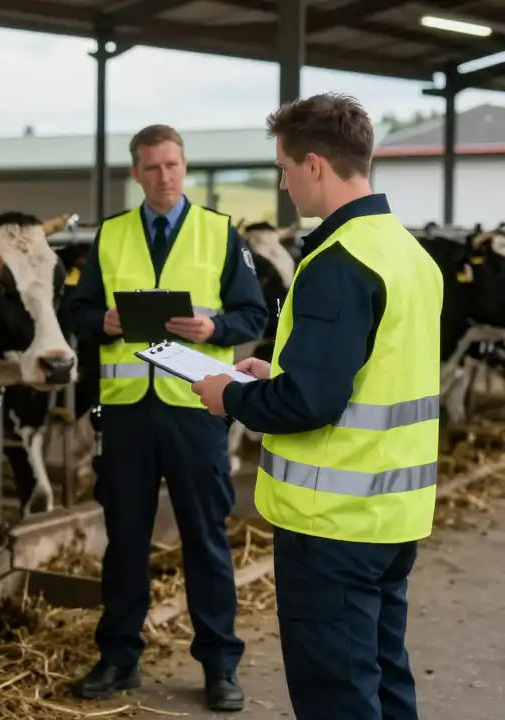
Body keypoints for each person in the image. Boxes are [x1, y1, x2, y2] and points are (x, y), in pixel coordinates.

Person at [191, 93, 442, 720]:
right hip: (392, 516)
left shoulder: (338, 261)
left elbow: (313, 401)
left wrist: (233, 396)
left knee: (338, 695)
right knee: (384, 678)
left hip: (333, 526)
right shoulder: (410, 255)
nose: (281, 183)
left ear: (315, 166)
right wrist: (275, 373)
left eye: (282, 168)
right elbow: (366, 374)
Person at [62, 123, 268, 711]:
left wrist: (214, 329)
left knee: (206, 540)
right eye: (151, 167)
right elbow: (74, 309)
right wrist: (98, 322)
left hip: (197, 408)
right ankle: (119, 657)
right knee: (124, 539)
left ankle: (220, 666)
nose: (164, 176)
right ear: (136, 173)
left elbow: (251, 313)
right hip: (126, 414)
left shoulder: (220, 234)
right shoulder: (111, 236)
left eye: (173, 165)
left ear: (185, 167)